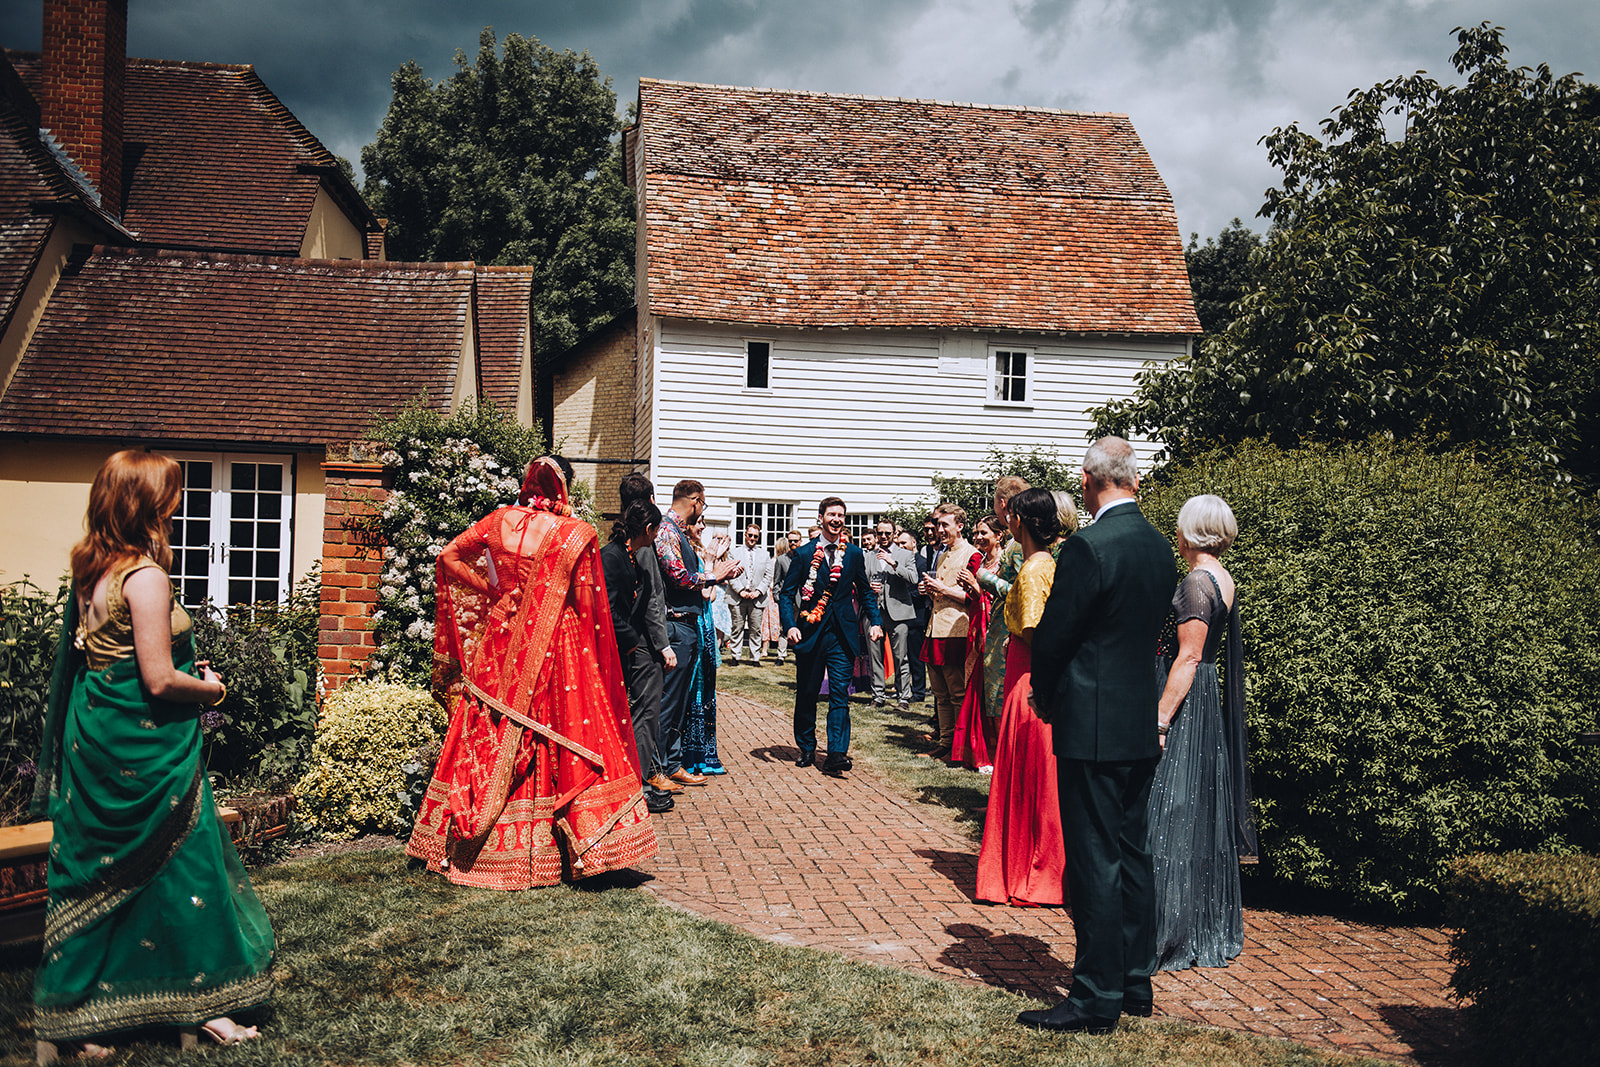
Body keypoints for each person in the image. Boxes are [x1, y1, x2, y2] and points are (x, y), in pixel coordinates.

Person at [32, 451, 273, 1060]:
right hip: (147, 749)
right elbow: (161, 680)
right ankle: (209, 1007)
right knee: (187, 863)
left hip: (98, 740)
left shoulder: (91, 569)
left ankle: (77, 1021)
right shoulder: (145, 577)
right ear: (144, 503)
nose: (178, 502)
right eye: (170, 493)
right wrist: (213, 690)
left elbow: (102, 662)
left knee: (97, 871)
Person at [407, 457, 658, 888]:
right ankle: (565, 848)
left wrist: (495, 591)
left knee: (489, 728)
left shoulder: (499, 520)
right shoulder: (575, 534)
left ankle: (466, 842)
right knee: (554, 731)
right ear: (564, 490)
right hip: (554, 647)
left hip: (499, 644)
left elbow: (448, 556)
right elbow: (587, 606)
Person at [1021, 437, 1177, 1034]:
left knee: (1094, 859)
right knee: (1134, 853)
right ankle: (1135, 981)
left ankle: (1093, 995)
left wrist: (1045, 689)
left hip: (1091, 720)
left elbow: (1057, 634)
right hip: (1139, 714)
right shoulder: (1158, 545)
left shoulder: (1089, 546)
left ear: (1088, 481)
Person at [1148, 495, 1258, 971]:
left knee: (1169, 812)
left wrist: (1160, 718)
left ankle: (1165, 929)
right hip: (1205, 697)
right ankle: (1198, 923)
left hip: (1187, 703)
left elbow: (1189, 656)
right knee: (1195, 812)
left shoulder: (1196, 581)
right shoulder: (1222, 577)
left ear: (1189, 532)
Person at [975, 488, 1069, 906]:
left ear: (1018, 522)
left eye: (1010, 515)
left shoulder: (1034, 569)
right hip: (1027, 675)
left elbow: (1033, 630)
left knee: (1031, 780)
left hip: (1027, 680)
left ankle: (1030, 871)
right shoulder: (1045, 563)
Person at [780, 497, 882, 774]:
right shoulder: (803, 554)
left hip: (843, 634)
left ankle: (837, 752)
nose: (836, 519)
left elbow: (864, 592)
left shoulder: (854, 554)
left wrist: (874, 621)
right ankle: (807, 746)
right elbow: (787, 594)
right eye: (831, 514)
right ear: (821, 517)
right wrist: (789, 625)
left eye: (840, 515)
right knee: (808, 693)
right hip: (810, 633)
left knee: (839, 694)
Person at [654, 480, 742, 790]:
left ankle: (674, 763)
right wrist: (713, 575)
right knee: (668, 702)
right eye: (703, 504)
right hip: (675, 624)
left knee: (680, 703)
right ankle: (658, 767)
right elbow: (675, 574)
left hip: (689, 625)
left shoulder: (678, 532)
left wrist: (718, 575)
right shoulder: (666, 530)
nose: (702, 510)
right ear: (694, 501)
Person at [600, 498, 674, 814]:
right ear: (647, 529)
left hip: (625, 649)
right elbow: (609, 607)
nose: (655, 539)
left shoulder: (629, 556)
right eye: (655, 532)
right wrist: (632, 641)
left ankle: (631, 782)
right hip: (615, 648)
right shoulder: (612, 559)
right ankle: (631, 784)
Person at [617, 473, 678, 808]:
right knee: (645, 714)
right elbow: (651, 599)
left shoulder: (627, 542)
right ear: (650, 500)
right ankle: (638, 785)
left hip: (636, 641)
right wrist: (663, 643)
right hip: (643, 643)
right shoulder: (640, 546)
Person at [918, 503, 981, 757]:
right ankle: (944, 742)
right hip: (935, 627)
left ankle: (959, 745)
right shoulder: (942, 554)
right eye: (938, 524)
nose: (939, 529)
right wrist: (930, 591)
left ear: (960, 526)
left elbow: (972, 597)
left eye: (945, 524)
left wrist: (942, 590)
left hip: (956, 629)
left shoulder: (972, 554)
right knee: (940, 693)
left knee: (957, 692)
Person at [950, 513, 1007, 771]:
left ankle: (995, 752)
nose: (978, 537)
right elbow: (975, 598)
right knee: (976, 687)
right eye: (976, 533)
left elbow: (1002, 598)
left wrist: (976, 585)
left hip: (995, 630)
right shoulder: (981, 560)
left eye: (984, 533)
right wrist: (973, 588)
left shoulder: (1005, 562)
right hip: (976, 625)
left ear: (999, 535)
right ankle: (976, 750)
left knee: (992, 691)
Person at [684, 520, 730, 776]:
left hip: (707, 623)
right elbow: (707, 594)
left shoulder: (701, 553)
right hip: (697, 624)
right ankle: (691, 755)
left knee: (705, 692)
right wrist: (713, 568)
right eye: (699, 523)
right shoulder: (696, 555)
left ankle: (703, 752)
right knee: (695, 692)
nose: (702, 527)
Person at [868, 518, 917, 711]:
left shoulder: (904, 555)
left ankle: (904, 696)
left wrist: (894, 564)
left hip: (898, 612)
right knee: (875, 656)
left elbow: (913, 578)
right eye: (880, 533)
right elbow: (861, 581)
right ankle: (878, 695)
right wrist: (869, 587)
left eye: (888, 533)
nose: (884, 536)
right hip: (875, 611)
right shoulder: (868, 556)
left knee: (901, 656)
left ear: (894, 534)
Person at [726, 523, 772, 665]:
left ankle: (755, 657)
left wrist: (758, 591)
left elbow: (768, 575)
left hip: (757, 598)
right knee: (737, 627)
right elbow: (730, 574)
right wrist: (740, 590)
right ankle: (735, 656)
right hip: (738, 596)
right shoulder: (734, 552)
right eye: (750, 535)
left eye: (755, 536)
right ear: (745, 535)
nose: (752, 538)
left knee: (756, 629)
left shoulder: (765, 554)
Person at [766, 538, 792, 664]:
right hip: (785, 599)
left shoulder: (801, 558)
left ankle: (800, 656)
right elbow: (776, 581)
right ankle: (781, 655)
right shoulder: (779, 561)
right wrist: (777, 596)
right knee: (783, 628)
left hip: (800, 599)